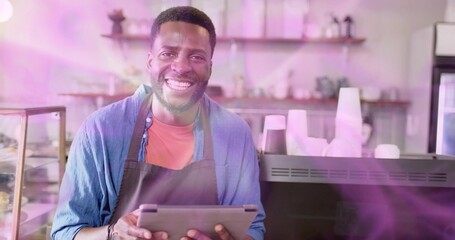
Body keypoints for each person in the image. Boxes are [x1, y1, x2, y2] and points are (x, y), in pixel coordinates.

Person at [50, 6, 265, 240]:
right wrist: (112, 234)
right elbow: (65, 233)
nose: (181, 67)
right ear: (150, 61)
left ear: (210, 67)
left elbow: (253, 231)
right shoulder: (100, 130)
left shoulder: (235, 133)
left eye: (196, 57)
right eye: (168, 53)